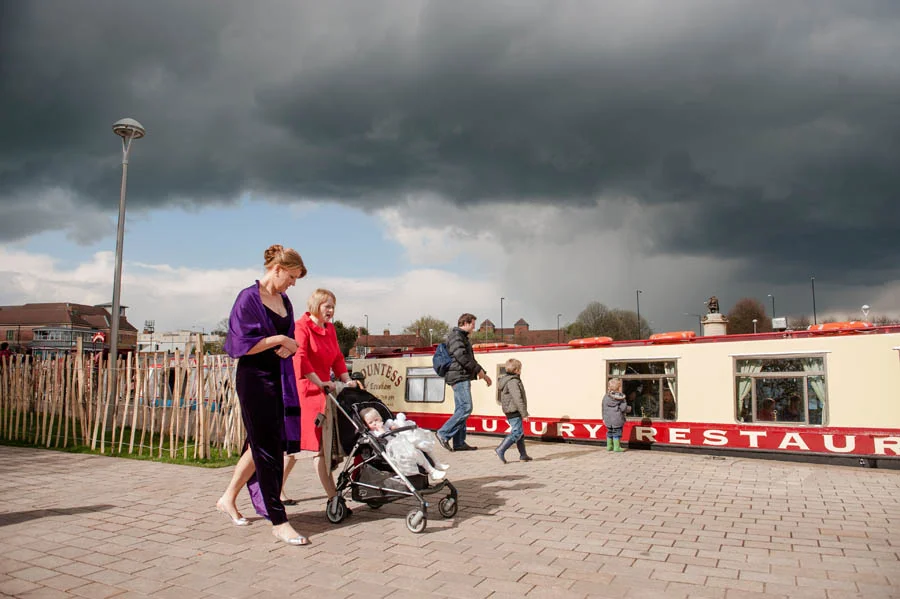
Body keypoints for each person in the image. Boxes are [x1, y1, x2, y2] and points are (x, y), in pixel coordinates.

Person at [216, 244, 308, 546]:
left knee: (262, 445)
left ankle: (227, 497)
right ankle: (279, 521)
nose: (293, 283)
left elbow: (290, 339)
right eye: (292, 277)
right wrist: (279, 339)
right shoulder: (248, 299)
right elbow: (241, 344)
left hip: (280, 378)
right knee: (268, 449)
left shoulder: (285, 300)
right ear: (277, 269)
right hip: (255, 379)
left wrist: (289, 343)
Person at [293, 289, 358, 511]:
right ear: (315, 306)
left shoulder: (329, 329)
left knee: (294, 448)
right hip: (307, 387)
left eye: (333, 307)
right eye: (327, 306)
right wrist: (318, 382)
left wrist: (347, 380)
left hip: (325, 387)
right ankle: (334, 498)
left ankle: (278, 489)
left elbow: (338, 358)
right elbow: (299, 357)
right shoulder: (301, 326)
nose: (331, 311)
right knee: (320, 446)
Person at [436, 313, 492, 451]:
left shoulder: (461, 337)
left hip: (461, 376)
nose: (474, 327)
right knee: (466, 408)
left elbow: (469, 359)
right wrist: (478, 371)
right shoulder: (456, 337)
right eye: (473, 324)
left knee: (460, 409)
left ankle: (459, 442)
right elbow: (461, 357)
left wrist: (482, 373)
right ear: (465, 323)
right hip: (459, 377)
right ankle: (443, 433)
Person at [360, 408, 448, 483]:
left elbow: (395, 430)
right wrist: (381, 430)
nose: (375, 423)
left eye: (376, 420)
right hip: (393, 451)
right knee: (415, 452)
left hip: (400, 445)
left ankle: (437, 463)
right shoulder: (373, 433)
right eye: (371, 422)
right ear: (366, 425)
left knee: (422, 445)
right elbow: (383, 440)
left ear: (380, 418)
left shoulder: (386, 426)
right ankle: (432, 472)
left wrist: (394, 427)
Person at [495, 358, 533, 464]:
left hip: (510, 409)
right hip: (514, 409)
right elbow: (517, 398)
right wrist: (524, 413)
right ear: (516, 370)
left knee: (520, 432)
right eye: (520, 369)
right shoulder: (513, 381)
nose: (521, 371)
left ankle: (523, 455)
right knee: (517, 432)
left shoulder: (507, 379)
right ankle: (501, 449)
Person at [602, 378, 631, 452]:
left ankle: (609, 446)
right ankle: (616, 447)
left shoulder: (606, 397)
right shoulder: (621, 398)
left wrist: (604, 418)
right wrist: (629, 408)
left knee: (609, 432)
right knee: (617, 432)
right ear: (619, 388)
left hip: (607, 419)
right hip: (617, 419)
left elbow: (603, 408)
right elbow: (623, 408)